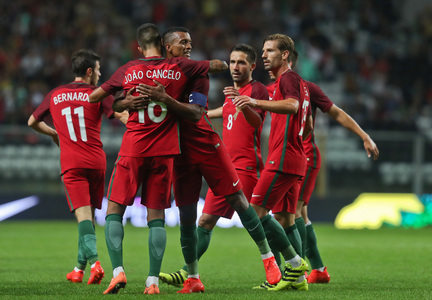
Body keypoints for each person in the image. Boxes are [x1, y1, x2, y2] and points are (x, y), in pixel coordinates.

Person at [133, 27, 281, 293]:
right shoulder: (154, 73)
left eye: (191, 41)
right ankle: (193, 277)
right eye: (184, 42)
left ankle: (269, 259)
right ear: (168, 47)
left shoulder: (196, 71)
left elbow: (195, 113)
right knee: (188, 217)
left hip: (206, 144)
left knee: (239, 200)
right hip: (179, 151)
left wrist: (166, 97)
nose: (190, 45)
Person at [89, 23, 218, 295]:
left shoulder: (128, 69)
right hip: (165, 151)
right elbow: (217, 66)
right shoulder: (180, 67)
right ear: (162, 44)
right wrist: (206, 65)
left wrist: (123, 102)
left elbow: (95, 98)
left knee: (114, 211)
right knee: (156, 216)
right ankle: (152, 282)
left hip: (133, 148)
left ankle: (118, 272)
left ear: (138, 46)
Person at [158, 43, 268, 285]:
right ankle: (188, 272)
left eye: (241, 62)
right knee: (206, 222)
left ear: (252, 65)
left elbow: (257, 122)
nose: (235, 67)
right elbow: (212, 113)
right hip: (227, 165)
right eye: (232, 62)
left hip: (247, 166)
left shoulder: (256, 90)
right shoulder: (231, 96)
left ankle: (287, 266)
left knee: (262, 219)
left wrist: (244, 102)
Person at [272, 49, 379, 284]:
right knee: (299, 214)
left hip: (305, 156)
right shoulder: (273, 89)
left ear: (287, 60)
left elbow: (336, 113)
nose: (267, 58)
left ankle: (296, 270)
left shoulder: (307, 87)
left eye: (271, 53)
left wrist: (364, 135)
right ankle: (318, 269)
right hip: (287, 156)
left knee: (292, 213)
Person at [28, 49, 127, 286]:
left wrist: (54, 134)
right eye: (99, 70)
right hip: (97, 162)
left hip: (72, 163)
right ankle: (78, 270)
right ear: (90, 71)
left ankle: (95, 264)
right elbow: (121, 116)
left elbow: (32, 121)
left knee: (83, 218)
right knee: (90, 218)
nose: (101, 75)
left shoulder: (55, 94)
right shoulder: (98, 93)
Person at [232, 33, 313, 291]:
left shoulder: (289, 79)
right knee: (286, 218)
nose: (264, 55)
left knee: (255, 213)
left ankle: (295, 262)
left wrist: (256, 101)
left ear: (285, 54)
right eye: (263, 51)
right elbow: (308, 123)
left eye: (269, 51)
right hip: (295, 158)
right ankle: (298, 281)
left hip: (283, 159)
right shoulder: (290, 82)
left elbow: (292, 106)